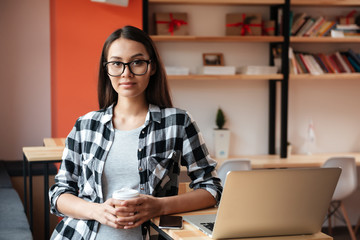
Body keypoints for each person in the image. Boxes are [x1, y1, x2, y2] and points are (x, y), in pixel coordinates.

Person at [49, 25, 222, 240]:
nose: (126, 73)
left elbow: (211, 188)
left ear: (152, 67)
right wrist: (97, 211)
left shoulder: (177, 122)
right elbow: (59, 194)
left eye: (137, 62)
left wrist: (158, 206)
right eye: (116, 63)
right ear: (107, 69)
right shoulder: (85, 125)